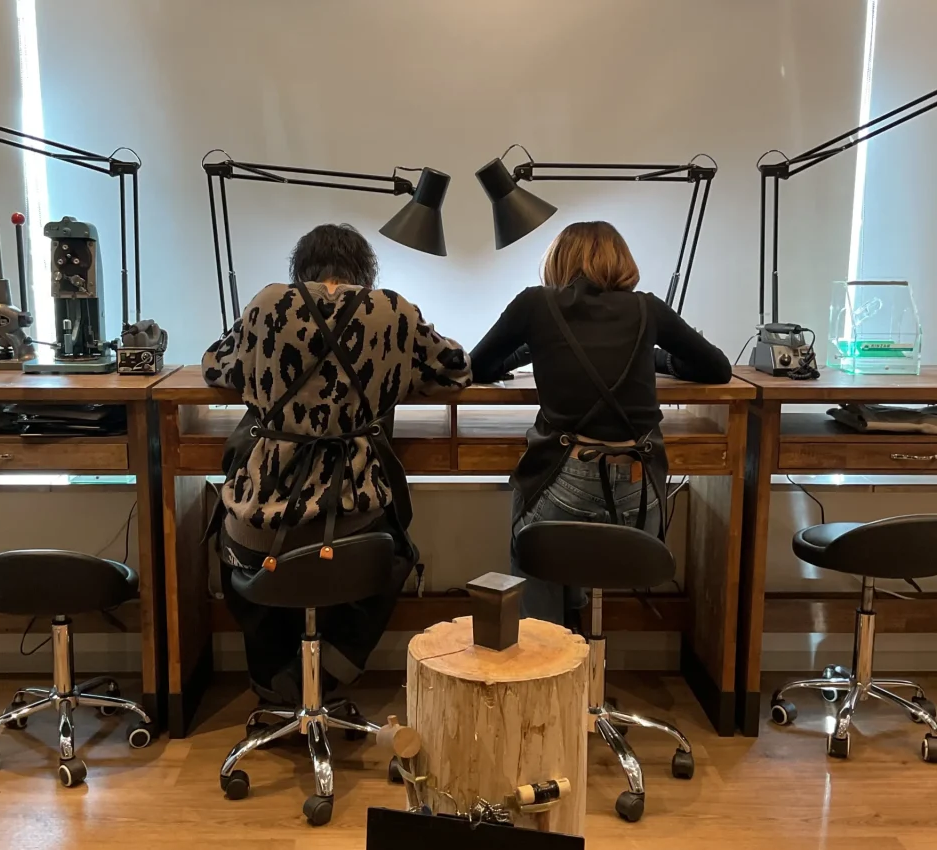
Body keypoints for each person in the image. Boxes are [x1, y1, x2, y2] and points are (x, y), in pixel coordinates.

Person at [203, 223, 470, 702]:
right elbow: (456, 370)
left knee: (236, 545)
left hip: (260, 522)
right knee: (397, 551)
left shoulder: (267, 304)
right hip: (353, 524)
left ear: (300, 270)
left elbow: (215, 366)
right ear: (365, 271)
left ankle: (273, 684)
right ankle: (328, 670)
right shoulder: (392, 311)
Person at [469, 221, 732, 626]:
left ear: (560, 261)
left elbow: (477, 366)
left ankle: (549, 646)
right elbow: (717, 368)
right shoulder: (647, 309)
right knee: (569, 544)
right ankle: (576, 631)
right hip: (640, 501)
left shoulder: (535, 304)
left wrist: (533, 347)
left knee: (530, 540)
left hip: (565, 488)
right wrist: (659, 358)